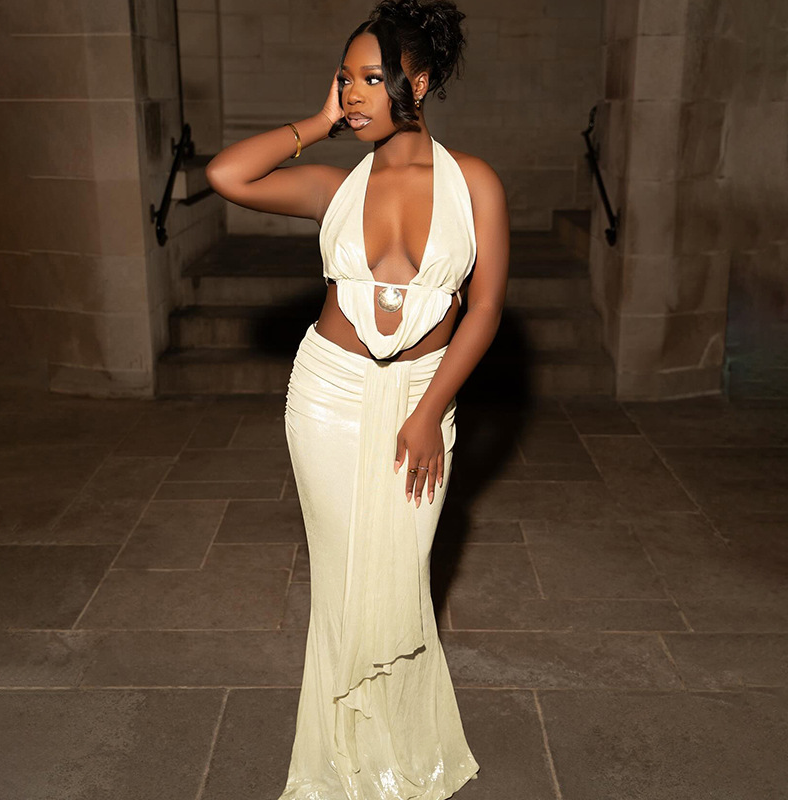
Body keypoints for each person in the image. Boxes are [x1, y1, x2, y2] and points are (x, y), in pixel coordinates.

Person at [206, 0, 509, 796]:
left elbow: (484, 309)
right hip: (328, 397)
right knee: (342, 586)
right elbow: (227, 175)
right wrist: (316, 122)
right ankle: (338, 761)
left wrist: (427, 411)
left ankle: (399, 749)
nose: (354, 94)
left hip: (421, 397)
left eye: (372, 79)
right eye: (345, 79)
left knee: (401, 579)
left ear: (421, 81)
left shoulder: (473, 182)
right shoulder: (332, 186)